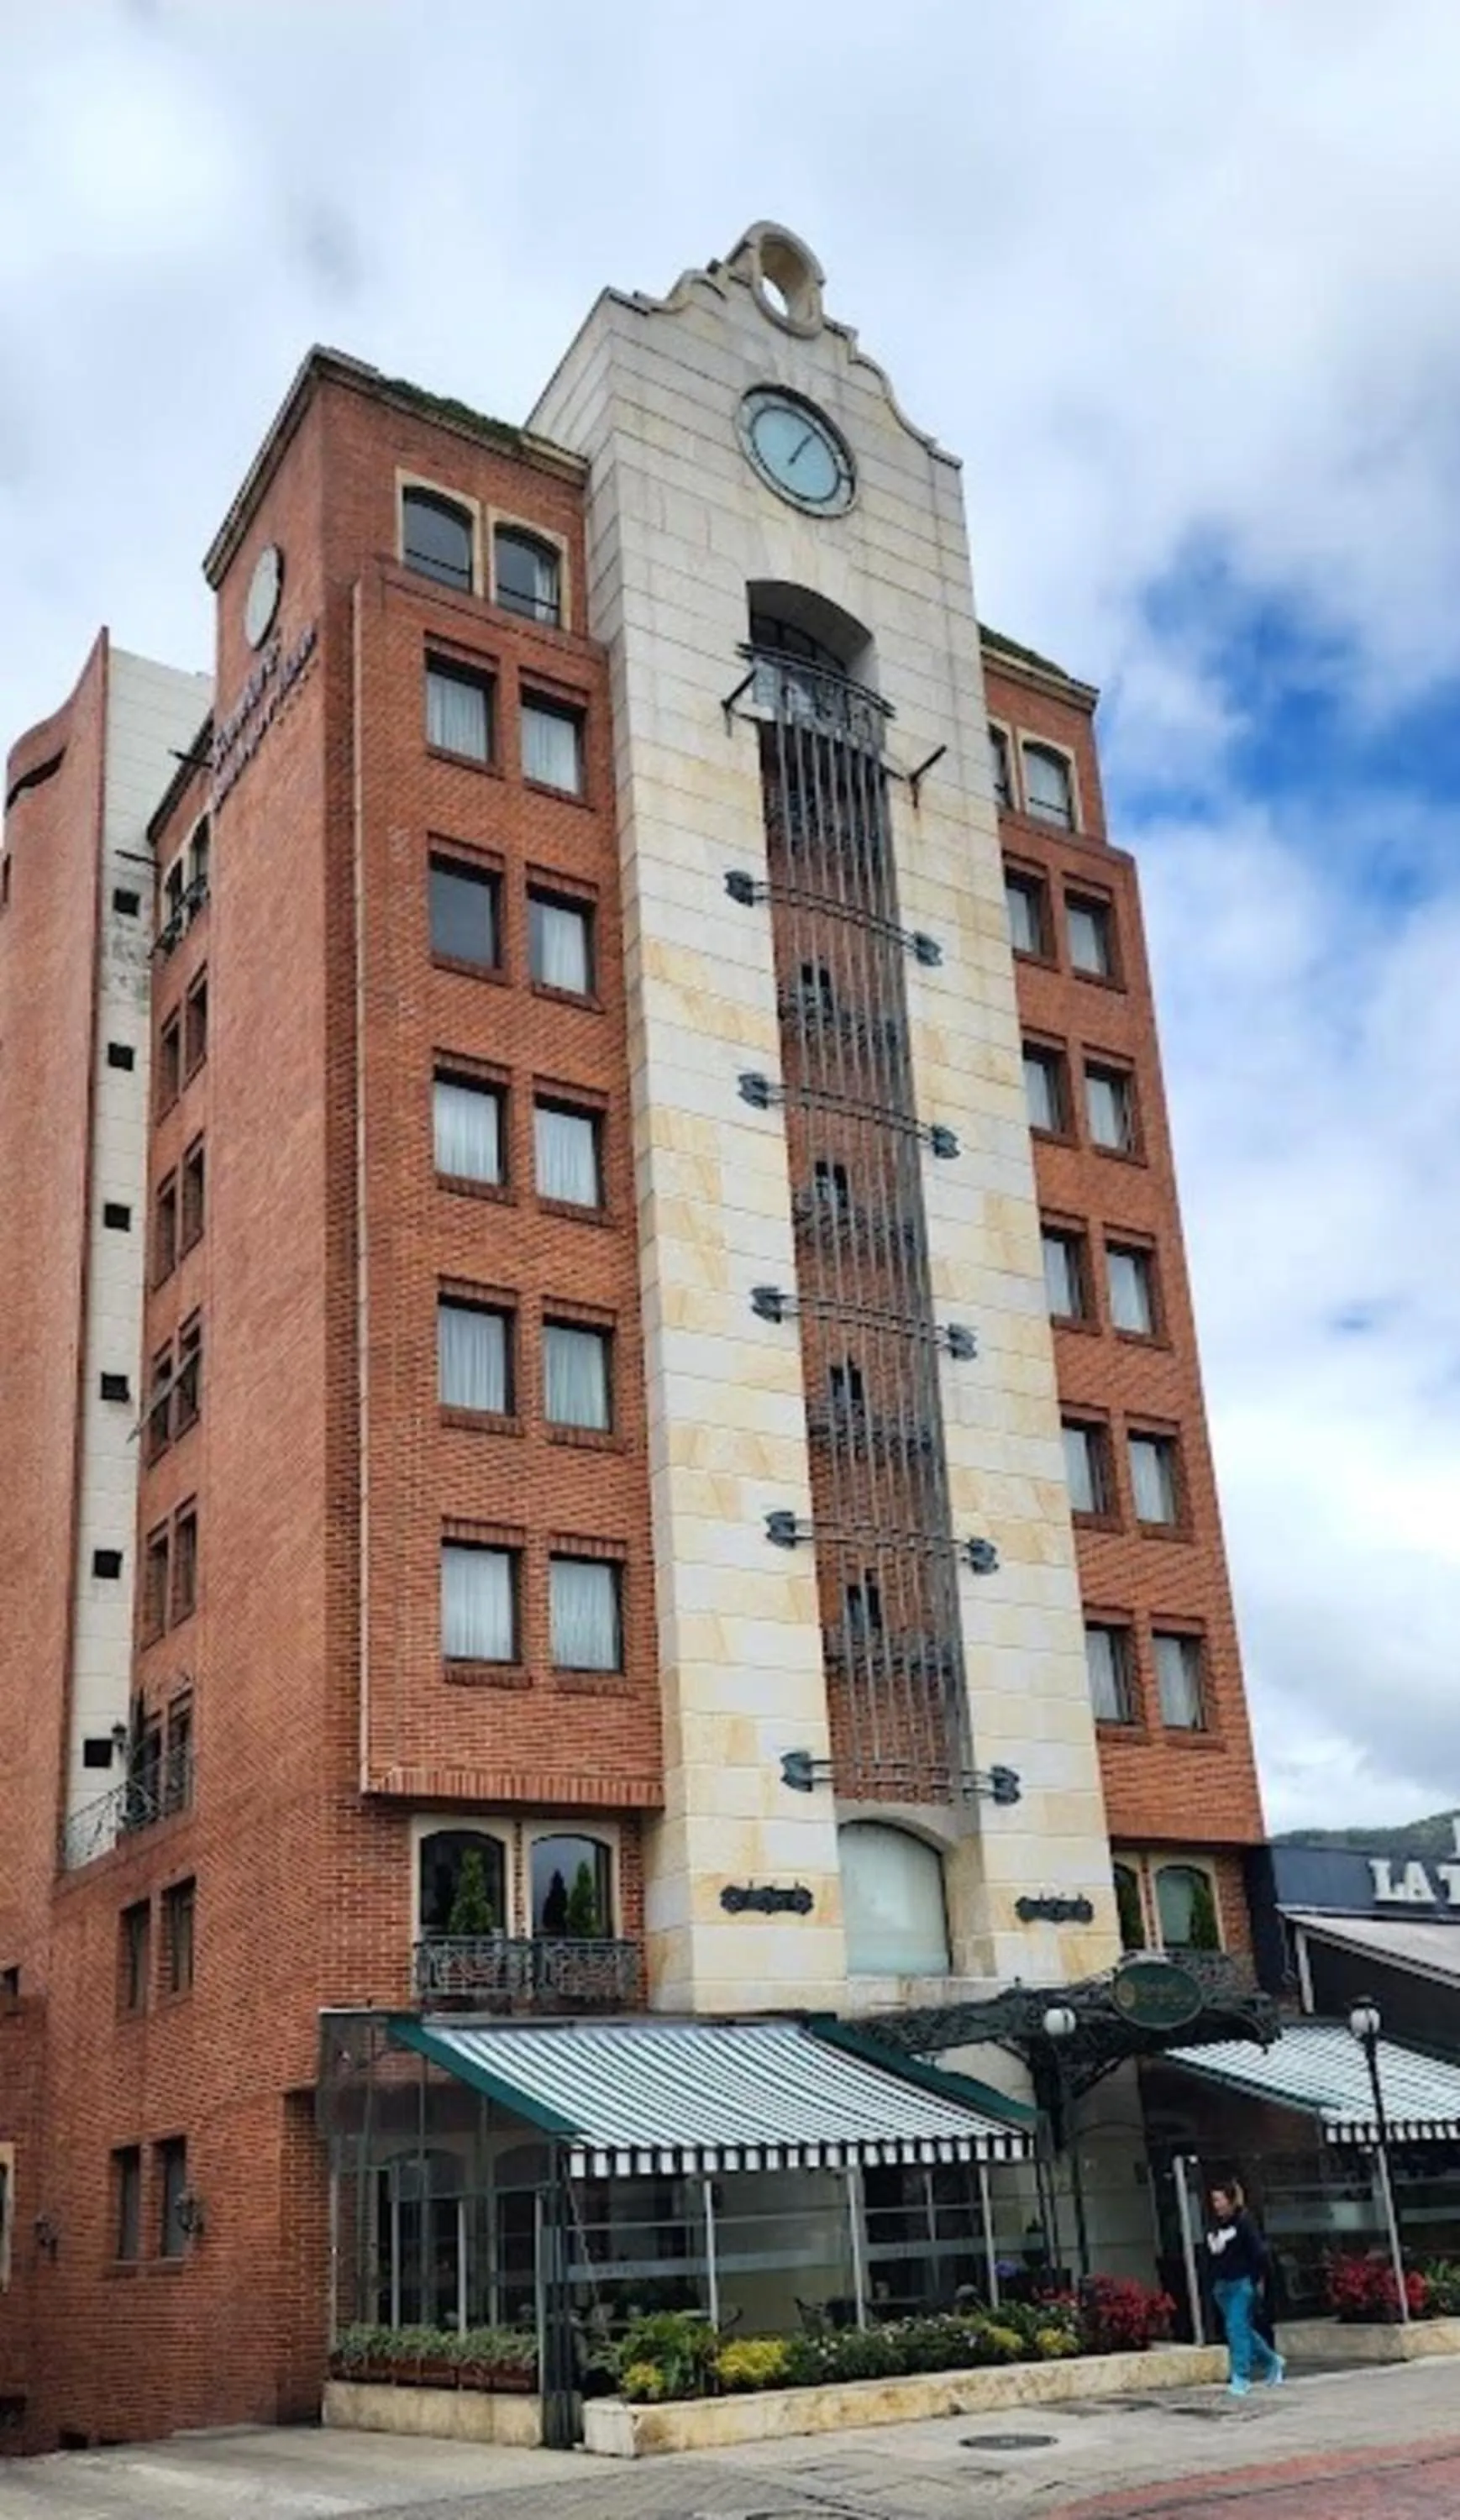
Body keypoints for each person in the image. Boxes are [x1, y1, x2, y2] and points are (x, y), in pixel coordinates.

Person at [1206, 2179, 1284, 2397]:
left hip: (1241, 2282)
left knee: (1235, 2327)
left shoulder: (1244, 2222)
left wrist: (1257, 2279)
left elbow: (1259, 2252)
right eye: (1214, 2200)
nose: (1216, 2204)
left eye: (1219, 2199)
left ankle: (1241, 2376)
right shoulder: (1215, 2224)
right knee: (1242, 2329)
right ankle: (1271, 2360)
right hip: (1222, 2285)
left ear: (1230, 2200)